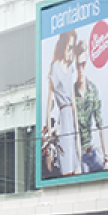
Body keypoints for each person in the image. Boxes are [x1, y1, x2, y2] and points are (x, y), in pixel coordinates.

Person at [43, 29, 80, 177]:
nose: (70, 51)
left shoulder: (71, 68)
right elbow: (49, 103)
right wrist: (51, 137)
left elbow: (73, 99)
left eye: (73, 48)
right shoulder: (56, 67)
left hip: (71, 118)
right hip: (63, 118)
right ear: (64, 46)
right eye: (69, 47)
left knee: (75, 166)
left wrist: (77, 130)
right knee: (66, 166)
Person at [73, 40, 108, 174]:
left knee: (106, 169)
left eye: (83, 64)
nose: (80, 70)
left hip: (91, 153)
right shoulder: (71, 93)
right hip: (78, 156)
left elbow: (100, 124)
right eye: (78, 65)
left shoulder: (93, 90)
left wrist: (106, 157)